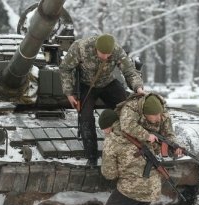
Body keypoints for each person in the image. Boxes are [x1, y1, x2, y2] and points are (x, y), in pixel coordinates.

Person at [98, 94, 182, 205]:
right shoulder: (143, 133)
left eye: (104, 129)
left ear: (108, 126)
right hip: (152, 186)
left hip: (131, 188)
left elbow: (109, 173)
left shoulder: (112, 140)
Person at [60, 34, 145, 166]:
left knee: (127, 108)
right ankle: (92, 156)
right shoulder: (80, 47)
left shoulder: (117, 50)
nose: (105, 57)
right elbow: (65, 68)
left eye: (108, 54)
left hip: (107, 82)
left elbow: (129, 71)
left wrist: (138, 87)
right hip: (86, 85)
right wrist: (69, 93)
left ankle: (130, 147)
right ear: (95, 48)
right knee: (86, 116)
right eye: (102, 53)